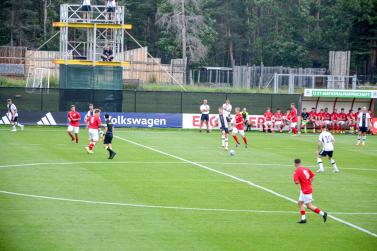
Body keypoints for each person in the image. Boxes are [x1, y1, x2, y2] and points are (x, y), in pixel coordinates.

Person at [293, 159, 328, 224]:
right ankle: (303, 219)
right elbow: (312, 176)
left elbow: (296, 182)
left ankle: (323, 214)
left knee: (309, 205)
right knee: (300, 203)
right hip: (306, 189)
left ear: (295, 164)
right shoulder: (306, 168)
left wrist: (295, 176)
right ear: (300, 163)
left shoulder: (296, 171)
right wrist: (308, 183)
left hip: (306, 190)